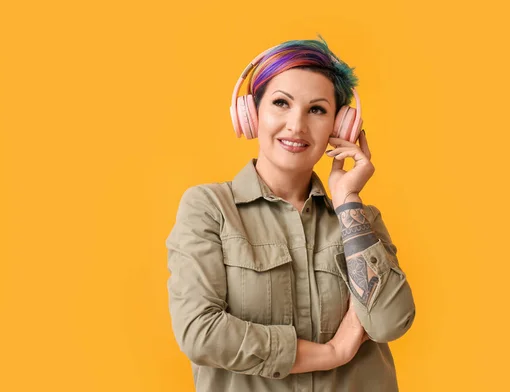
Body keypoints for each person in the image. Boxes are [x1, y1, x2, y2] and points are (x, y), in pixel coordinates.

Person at [166, 37, 416, 392]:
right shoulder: (208, 209)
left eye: (317, 109)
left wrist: (347, 200)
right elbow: (201, 333)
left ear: (339, 126)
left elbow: (390, 322)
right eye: (281, 103)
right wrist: (333, 352)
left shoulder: (360, 220)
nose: (297, 125)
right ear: (252, 114)